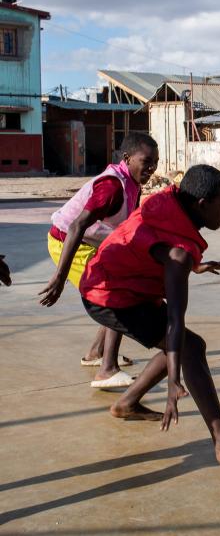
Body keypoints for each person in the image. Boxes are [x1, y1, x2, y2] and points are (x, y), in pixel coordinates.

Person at [79, 164, 220, 463]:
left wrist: (193, 265)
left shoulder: (170, 203)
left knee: (187, 346)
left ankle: (127, 403)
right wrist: (173, 381)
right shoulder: (179, 255)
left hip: (120, 282)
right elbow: (175, 321)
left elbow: (154, 243)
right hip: (108, 294)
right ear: (202, 204)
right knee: (189, 346)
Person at [39, 132, 159, 388]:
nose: (151, 168)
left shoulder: (132, 183)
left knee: (123, 283)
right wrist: (59, 277)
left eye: (155, 162)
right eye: (146, 161)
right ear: (127, 158)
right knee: (115, 292)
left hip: (88, 241)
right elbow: (76, 227)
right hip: (67, 242)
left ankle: (96, 353)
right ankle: (107, 369)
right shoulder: (112, 186)